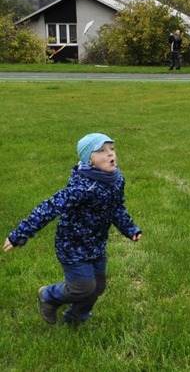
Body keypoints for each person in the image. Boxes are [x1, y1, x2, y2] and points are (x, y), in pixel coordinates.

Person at [3, 133, 142, 326]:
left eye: (111, 148)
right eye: (101, 150)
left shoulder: (116, 180)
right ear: (89, 160)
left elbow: (116, 208)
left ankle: (75, 317)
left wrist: (130, 228)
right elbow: (49, 207)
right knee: (82, 287)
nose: (110, 154)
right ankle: (48, 295)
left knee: (98, 286)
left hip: (96, 244)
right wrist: (20, 233)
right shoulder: (81, 188)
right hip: (72, 245)